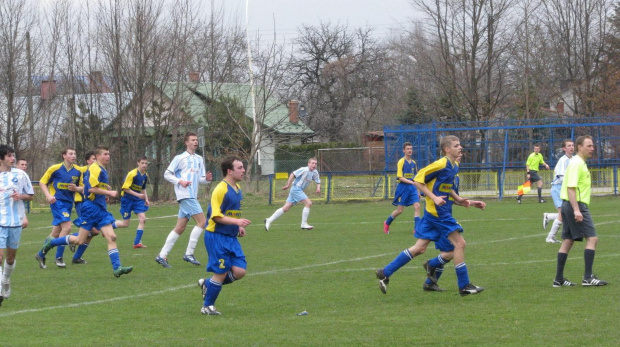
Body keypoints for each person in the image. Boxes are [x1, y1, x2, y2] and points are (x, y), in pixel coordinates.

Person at [375, 135, 486, 296]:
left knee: (422, 248)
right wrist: (433, 197)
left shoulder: (454, 166)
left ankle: (386, 272)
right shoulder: (441, 164)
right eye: (456, 146)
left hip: (435, 214)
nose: (460, 148)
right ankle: (464, 286)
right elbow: (418, 181)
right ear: (447, 149)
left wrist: (463, 201)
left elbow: (446, 189)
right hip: (438, 214)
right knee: (459, 244)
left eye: (460, 145)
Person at [36, 146, 133, 278]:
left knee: (112, 237)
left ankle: (117, 268)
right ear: (97, 157)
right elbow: (92, 189)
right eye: (105, 154)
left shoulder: (100, 169)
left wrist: (104, 189)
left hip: (100, 208)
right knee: (79, 240)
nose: (108, 156)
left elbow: (87, 188)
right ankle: (51, 243)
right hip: (90, 208)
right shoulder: (94, 168)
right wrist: (109, 192)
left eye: (109, 154)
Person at [198, 156, 251, 315]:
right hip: (216, 236)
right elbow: (216, 216)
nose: (243, 170)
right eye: (240, 167)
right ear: (229, 171)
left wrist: (237, 227)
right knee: (221, 272)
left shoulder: (237, 188)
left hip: (231, 237)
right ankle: (207, 306)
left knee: (240, 271)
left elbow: (230, 213)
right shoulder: (220, 189)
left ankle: (209, 284)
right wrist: (236, 222)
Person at [553, 135, 607, 287]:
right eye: (589, 146)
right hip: (576, 205)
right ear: (579, 147)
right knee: (592, 238)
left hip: (568, 205)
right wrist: (577, 210)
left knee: (568, 240)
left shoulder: (579, 163)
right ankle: (588, 278)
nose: (592, 149)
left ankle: (558, 279)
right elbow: (571, 188)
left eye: (592, 145)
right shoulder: (576, 163)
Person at [155, 132, 212, 268]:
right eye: (192, 140)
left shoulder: (199, 159)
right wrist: (180, 181)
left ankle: (162, 256)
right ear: (186, 143)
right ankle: (189, 253)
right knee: (202, 222)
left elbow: (200, 180)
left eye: (196, 140)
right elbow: (167, 174)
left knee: (180, 228)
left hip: (192, 195)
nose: (195, 142)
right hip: (185, 195)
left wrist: (207, 180)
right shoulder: (180, 158)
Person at [35, 148, 82, 268]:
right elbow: (42, 182)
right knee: (67, 227)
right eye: (71, 154)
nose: (73, 156)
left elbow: (83, 187)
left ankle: (41, 254)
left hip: (68, 203)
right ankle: (58, 257)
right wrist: (48, 195)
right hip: (56, 201)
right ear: (64, 156)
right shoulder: (54, 169)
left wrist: (77, 189)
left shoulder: (77, 171)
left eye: (75, 153)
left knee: (56, 232)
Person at [0, 145, 35, 306]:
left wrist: (19, 196)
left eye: (13, 155)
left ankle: (6, 280)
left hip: (15, 222)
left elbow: (30, 196)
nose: (12, 158)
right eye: (8, 156)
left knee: (10, 257)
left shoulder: (20, 175)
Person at [264, 158, 321, 231]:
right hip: (296, 189)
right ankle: (303, 224)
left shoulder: (315, 172)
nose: (314, 165)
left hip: (298, 190)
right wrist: (288, 185)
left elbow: (318, 180)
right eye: (312, 163)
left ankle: (269, 220)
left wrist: (318, 188)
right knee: (308, 203)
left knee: (285, 208)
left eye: (315, 163)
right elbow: (292, 174)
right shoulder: (304, 169)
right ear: (308, 164)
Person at [383, 142, 421, 234]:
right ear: (404, 150)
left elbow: (417, 178)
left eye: (411, 149)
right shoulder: (401, 162)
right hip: (403, 188)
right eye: (408, 149)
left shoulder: (414, 163)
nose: (410, 150)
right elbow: (400, 177)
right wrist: (411, 182)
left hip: (412, 188)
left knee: (417, 206)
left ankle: (417, 229)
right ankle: (387, 222)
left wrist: (418, 191)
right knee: (400, 210)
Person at [114, 156, 150, 248]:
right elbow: (125, 188)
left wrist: (146, 199)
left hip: (137, 200)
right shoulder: (132, 174)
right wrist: (138, 195)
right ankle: (109, 226)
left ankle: (137, 243)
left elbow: (143, 188)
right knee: (125, 224)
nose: (144, 165)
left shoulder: (145, 175)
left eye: (146, 163)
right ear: (138, 163)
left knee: (143, 219)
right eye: (142, 163)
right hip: (127, 199)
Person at [543, 139, 574, 243]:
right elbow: (561, 177)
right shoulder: (563, 160)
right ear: (564, 149)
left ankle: (548, 216)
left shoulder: (573, 159)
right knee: (562, 214)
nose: (571, 147)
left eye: (572, 145)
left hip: (565, 189)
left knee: (566, 213)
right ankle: (550, 237)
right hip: (558, 189)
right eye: (569, 146)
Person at [15, 159, 29, 229]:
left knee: (24, 223)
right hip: (9, 205)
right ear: (16, 166)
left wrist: (29, 191)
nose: (24, 166)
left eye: (25, 165)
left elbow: (30, 196)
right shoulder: (12, 175)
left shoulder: (25, 176)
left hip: (19, 204)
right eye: (22, 165)